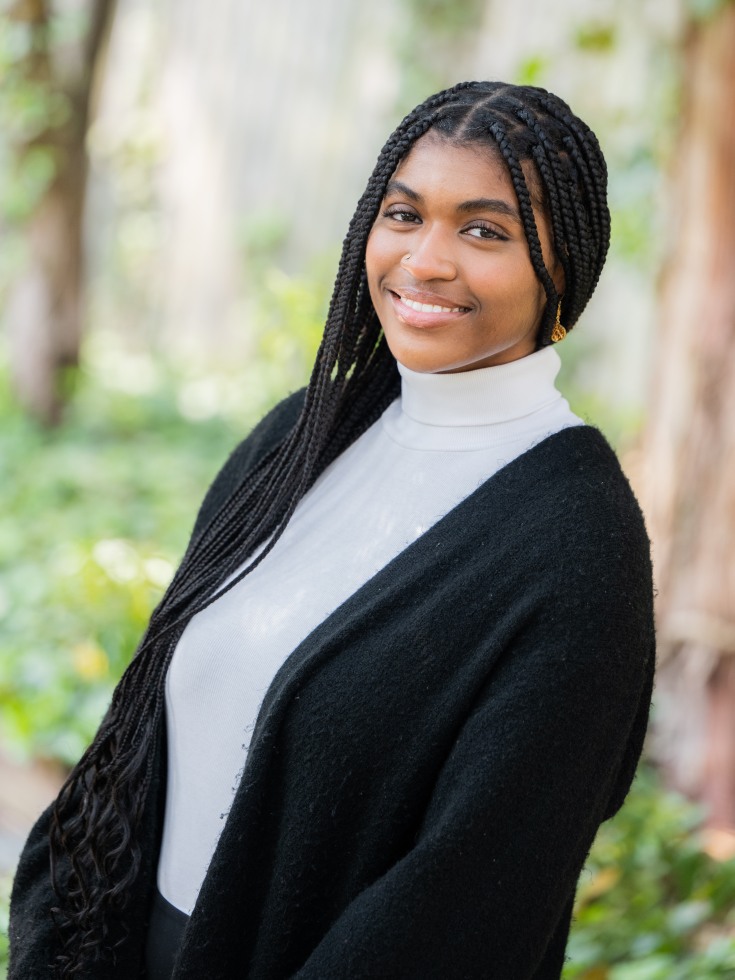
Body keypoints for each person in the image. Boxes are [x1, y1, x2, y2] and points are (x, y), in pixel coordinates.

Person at [9, 80, 655, 980]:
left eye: (483, 230)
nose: (424, 261)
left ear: (565, 272)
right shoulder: (302, 434)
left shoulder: (577, 549)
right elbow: (143, 719)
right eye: (404, 214)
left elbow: (466, 906)